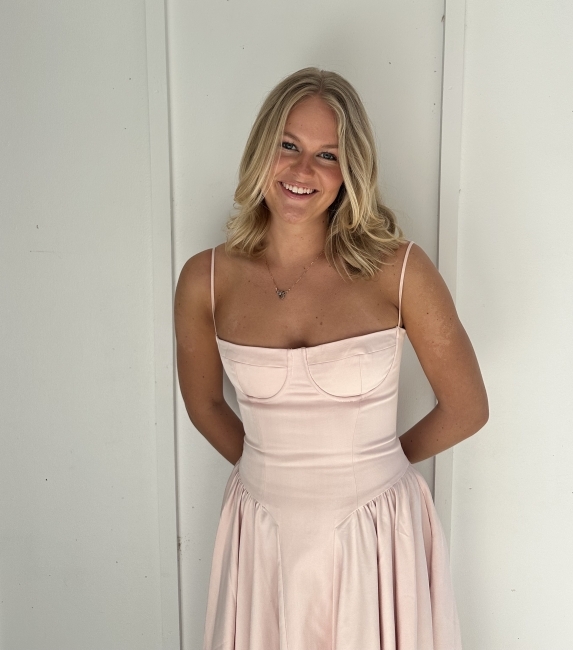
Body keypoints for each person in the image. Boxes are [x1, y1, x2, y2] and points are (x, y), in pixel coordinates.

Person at [174, 67, 488, 650]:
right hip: (262, 536)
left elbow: (467, 407)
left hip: (374, 533)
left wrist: (379, 466)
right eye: (289, 145)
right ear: (262, 147)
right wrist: (273, 470)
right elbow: (206, 404)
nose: (301, 170)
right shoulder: (205, 279)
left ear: (351, 172)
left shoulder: (398, 270)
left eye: (327, 155)